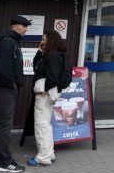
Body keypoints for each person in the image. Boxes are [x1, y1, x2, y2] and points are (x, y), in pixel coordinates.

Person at [0, 15, 30, 173]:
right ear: (15, 26)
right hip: (6, 89)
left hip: (5, 89)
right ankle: (6, 162)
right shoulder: (8, 42)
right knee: (5, 124)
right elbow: (3, 67)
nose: (26, 29)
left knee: (1, 123)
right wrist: (12, 83)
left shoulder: (11, 41)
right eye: (24, 26)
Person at [28, 30, 69, 168]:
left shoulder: (52, 56)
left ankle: (43, 158)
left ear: (50, 40)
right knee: (46, 125)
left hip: (44, 95)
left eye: (44, 39)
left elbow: (53, 77)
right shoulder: (55, 55)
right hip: (48, 94)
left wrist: (44, 90)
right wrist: (39, 51)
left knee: (41, 125)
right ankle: (49, 154)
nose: (42, 41)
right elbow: (35, 66)